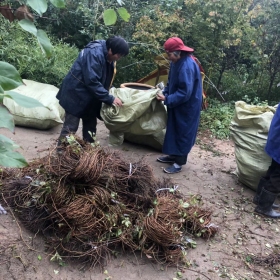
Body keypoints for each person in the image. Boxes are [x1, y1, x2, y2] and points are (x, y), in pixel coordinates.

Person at [56, 35, 129, 149]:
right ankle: (61, 154)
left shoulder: (109, 57)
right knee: (71, 127)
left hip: (90, 96)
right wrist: (110, 99)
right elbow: (92, 81)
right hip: (75, 93)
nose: (119, 58)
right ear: (110, 50)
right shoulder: (94, 53)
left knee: (90, 127)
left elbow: (103, 79)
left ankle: (89, 154)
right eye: (118, 55)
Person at [156, 37, 202, 174]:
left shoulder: (187, 65)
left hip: (188, 106)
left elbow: (184, 92)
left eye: (170, 55)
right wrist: (165, 92)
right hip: (177, 104)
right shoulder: (175, 62)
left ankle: (178, 163)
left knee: (183, 132)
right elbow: (171, 82)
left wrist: (167, 98)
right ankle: (172, 155)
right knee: (174, 129)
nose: (169, 58)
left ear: (178, 52)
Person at [254, 104, 280, 218]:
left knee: (274, 166)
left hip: (277, 136)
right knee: (278, 174)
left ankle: (260, 198)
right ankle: (264, 207)